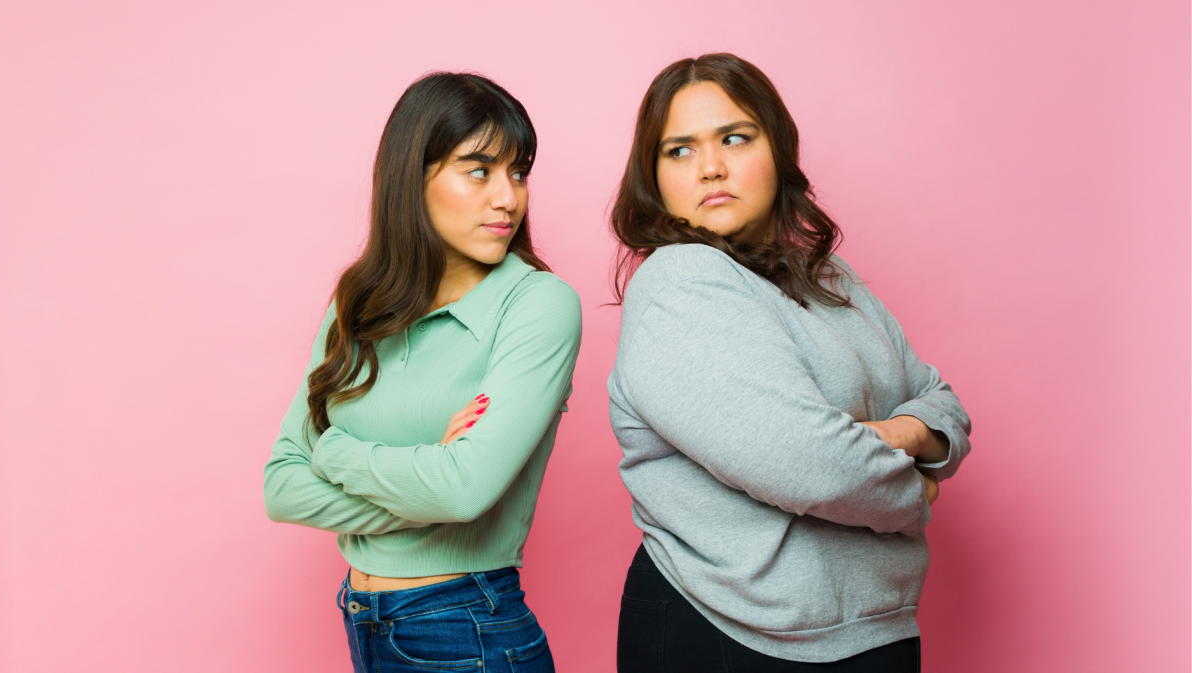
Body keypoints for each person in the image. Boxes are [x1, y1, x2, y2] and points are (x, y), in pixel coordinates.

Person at [608, 53, 971, 672]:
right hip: (732, 630)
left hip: (877, 626)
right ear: (655, 176)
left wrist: (906, 432)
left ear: (776, 148)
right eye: (680, 150)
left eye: (734, 138)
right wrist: (917, 490)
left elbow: (942, 401)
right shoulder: (680, 281)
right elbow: (809, 464)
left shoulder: (832, 278)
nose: (711, 166)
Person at [263, 72, 581, 673]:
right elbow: (281, 488)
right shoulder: (358, 302)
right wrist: (428, 475)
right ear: (413, 177)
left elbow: (463, 491)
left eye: (518, 173)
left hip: (468, 627)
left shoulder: (539, 304)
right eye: (479, 170)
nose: (508, 198)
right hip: (364, 621)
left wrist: (335, 452)